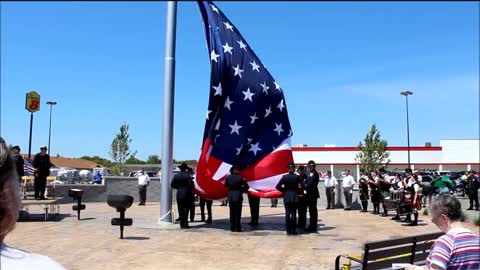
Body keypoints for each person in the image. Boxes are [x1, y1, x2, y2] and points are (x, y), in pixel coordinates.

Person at [0, 138, 66, 269]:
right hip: (38, 174)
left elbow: (48, 164)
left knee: (42, 188)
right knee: (37, 187)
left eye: (44, 149)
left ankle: (41, 196)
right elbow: (33, 164)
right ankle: (37, 195)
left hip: (44, 175)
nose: (44, 151)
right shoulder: (42, 266)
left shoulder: (46, 157)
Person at [404, 194, 480, 270]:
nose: (434, 223)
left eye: (434, 220)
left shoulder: (445, 243)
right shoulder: (476, 240)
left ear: (443, 218)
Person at [276, 163, 304, 235]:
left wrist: (284, 191)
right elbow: (302, 186)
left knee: (287, 214)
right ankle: (293, 230)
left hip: (287, 197)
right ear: (294, 169)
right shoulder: (297, 177)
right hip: (294, 196)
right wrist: (298, 191)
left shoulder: (284, 177)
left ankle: (288, 230)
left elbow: (277, 186)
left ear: (288, 169)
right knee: (294, 214)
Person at [224, 165, 249, 232]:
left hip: (231, 197)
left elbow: (225, 185)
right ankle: (237, 227)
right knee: (237, 213)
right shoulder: (240, 177)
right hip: (238, 196)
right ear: (237, 170)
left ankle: (232, 227)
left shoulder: (228, 177)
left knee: (232, 212)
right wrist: (241, 191)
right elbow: (247, 187)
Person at [171, 162, 194, 229]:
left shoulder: (176, 176)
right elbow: (192, 186)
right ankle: (185, 223)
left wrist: (179, 188)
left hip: (179, 193)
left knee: (180, 208)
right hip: (187, 194)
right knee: (186, 209)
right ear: (185, 169)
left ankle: (181, 223)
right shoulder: (188, 176)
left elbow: (172, 185)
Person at [305, 160, 320, 233]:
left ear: (312, 166)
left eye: (309, 166)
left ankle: (313, 227)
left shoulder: (314, 173)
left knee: (313, 211)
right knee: (311, 211)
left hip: (312, 194)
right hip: (310, 194)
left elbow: (310, 184)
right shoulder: (310, 173)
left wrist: (305, 186)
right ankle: (312, 226)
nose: (308, 167)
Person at [296, 165, 308, 232]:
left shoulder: (306, 177)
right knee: (299, 211)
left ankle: (303, 224)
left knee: (304, 211)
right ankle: (299, 223)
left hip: (304, 197)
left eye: (302, 170)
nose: (301, 172)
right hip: (298, 196)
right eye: (300, 171)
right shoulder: (297, 177)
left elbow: (306, 186)